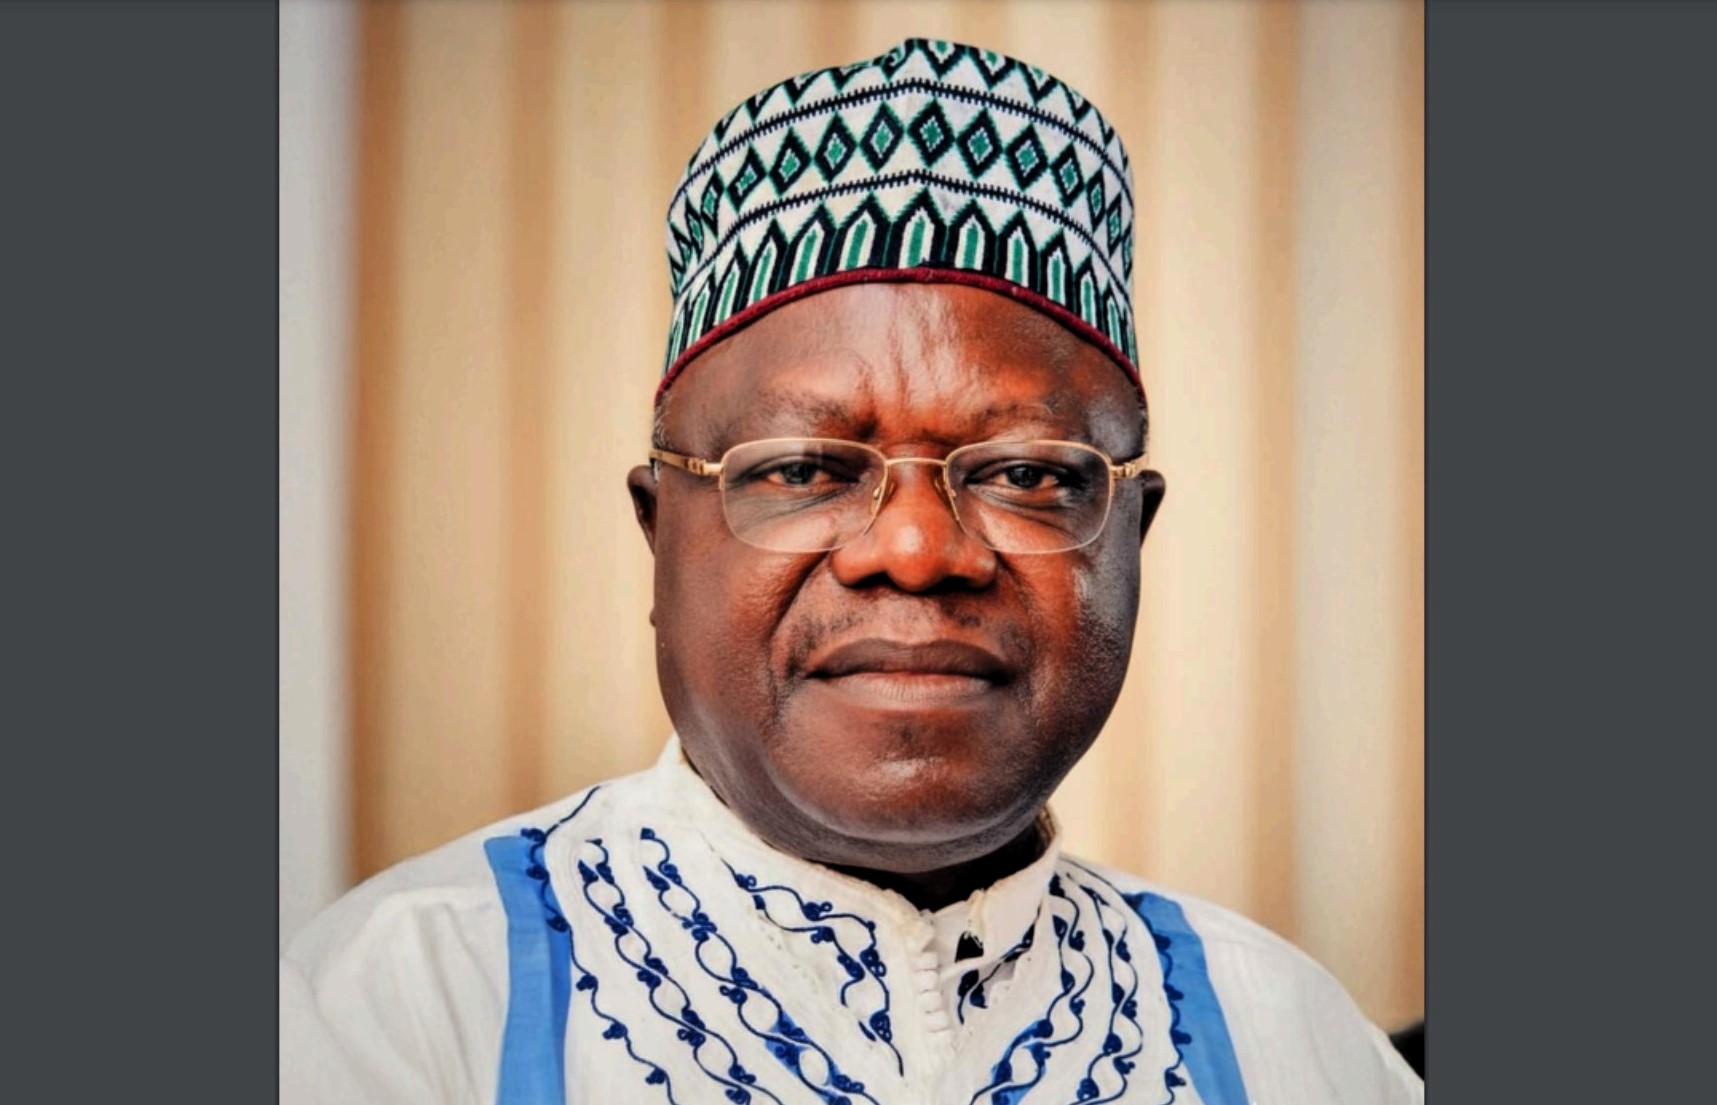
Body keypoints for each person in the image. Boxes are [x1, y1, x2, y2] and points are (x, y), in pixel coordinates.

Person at [281, 38, 1423, 1105]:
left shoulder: (1287, 1040)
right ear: (658, 534)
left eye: (1026, 473)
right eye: (804, 469)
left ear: (1131, 534)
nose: (917, 551)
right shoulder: (405, 1004)